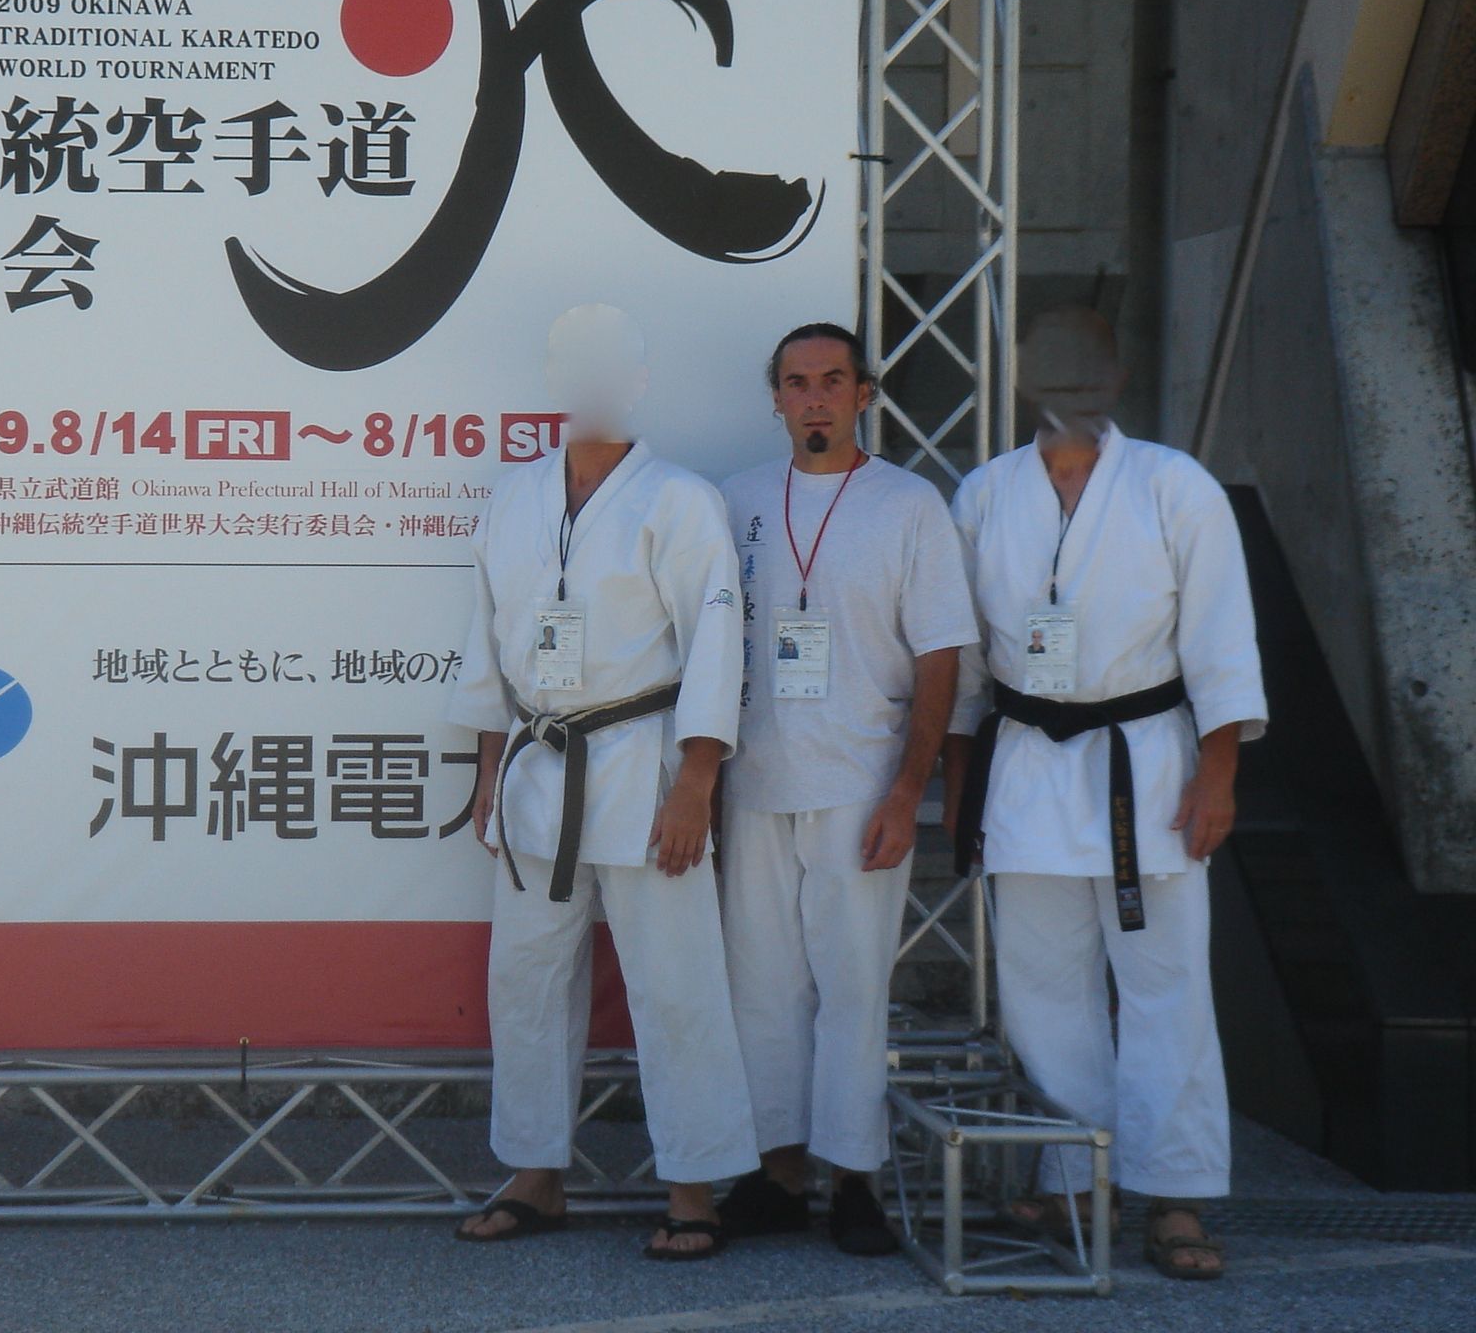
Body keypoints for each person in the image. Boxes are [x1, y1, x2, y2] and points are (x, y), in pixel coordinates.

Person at [941, 307, 1267, 1281]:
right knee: (1043, 993)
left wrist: (1219, 773)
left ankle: (1174, 1192)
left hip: (1147, 767)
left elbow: (1219, 641)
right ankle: (1077, 1176)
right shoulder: (984, 493)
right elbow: (962, 661)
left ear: (1113, 378)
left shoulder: (1174, 486)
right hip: (1027, 766)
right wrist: (962, 785)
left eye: (1087, 365)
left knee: (1163, 986)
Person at [448, 303, 756, 1261]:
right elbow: (487, 637)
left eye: (607, 367)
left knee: (677, 983)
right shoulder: (512, 497)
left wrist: (697, 779)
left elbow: (717, 642)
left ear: (636, 383)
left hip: (645, 761)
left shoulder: (679, 499)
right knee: (528, 979)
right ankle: (537, 1177)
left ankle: (694, 1188)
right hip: (539, 770)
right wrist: (490, 767)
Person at [716, 322, 975, 1255]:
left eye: (833, 381)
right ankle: (779, 1173)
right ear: (776, 397)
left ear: (865, 394)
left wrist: (912, 791)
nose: (815, 397)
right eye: (797, 382)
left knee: (853, 986)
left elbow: (943, 656)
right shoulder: (736, 500)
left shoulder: (909, 505)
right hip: (753, 782)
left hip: (863, 781)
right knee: (762, 988)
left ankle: (854, 1178)